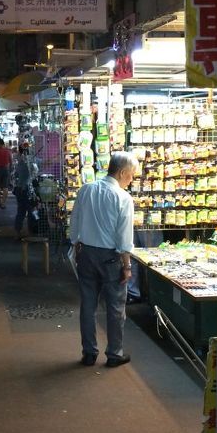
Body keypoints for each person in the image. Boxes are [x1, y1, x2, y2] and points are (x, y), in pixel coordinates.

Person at [69, 151, 136, 367]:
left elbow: (75, 218)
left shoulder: (86, 189)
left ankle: (89, 352)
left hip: (86, 253)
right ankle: (114, 354)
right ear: (123, 172)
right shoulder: (123, 198)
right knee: (115, 307)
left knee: (88, 304)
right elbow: (124, 236)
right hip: (110, 257)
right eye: (132, 175)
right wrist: (127, 266)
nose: (132, 180)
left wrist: (75, 242)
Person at [13, 144, 39, 239]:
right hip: (27, 189)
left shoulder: (19, 162)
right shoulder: (31, 162)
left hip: (19, 189)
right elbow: (35, 172)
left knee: (21, 211)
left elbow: (16, 175)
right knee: (31, 211)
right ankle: (30, 232)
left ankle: (18, 232)